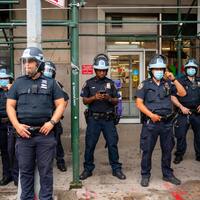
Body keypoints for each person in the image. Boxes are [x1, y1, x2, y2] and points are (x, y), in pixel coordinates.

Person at [6, 47, 65, 200]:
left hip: (45, 135)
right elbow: (10, 106)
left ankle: (46, 198)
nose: (27, 65)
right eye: (24, 62)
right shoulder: (18, 83)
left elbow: (60, 104)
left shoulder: (51, 83)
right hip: (23, 136)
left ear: (39, 63)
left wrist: (52, 122)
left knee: (46, 171)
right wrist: (17, 126)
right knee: (25, 171)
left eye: (30, 62)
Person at [135, 54, 186, 187]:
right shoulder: (144, 85)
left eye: (161, 69)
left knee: (167, 150)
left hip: (167, 123)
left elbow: (182, 93)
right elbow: (139, 103)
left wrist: (174, 79)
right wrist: (151, 115)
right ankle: (145, 175)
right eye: (156, 69)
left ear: (164, 71)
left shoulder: (168, 83)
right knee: (147, 151)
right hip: (151, 123)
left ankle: (167, 174)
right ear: (150, 70)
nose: (159, 71)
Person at [79, 54, 126, 180]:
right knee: (90, 145)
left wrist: (109, 98)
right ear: (95, 70)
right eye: (99, 70)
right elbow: (84, 101)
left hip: (108, 120)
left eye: (104, 70)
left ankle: (116, 169)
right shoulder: (89, 83)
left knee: (112, 144)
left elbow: (116, 100)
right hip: (93, 120)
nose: (102, 72)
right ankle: (88, 169)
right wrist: (94, 97)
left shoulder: (111, 83)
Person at [171, 58, 200, 164]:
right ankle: (179, 154)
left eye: (193, 68)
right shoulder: (179, 81)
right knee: (180, 135)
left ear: (196, 70)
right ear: (186, 69)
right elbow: (173, 96)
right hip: (183, 113)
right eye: (189, 68)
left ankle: (199, 155)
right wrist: (181, 107)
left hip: (197, 113)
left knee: (199, 135)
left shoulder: (199, 80)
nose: (191, 70)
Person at [43, 61, 69, 172]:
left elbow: (65, 99)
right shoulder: (36, 82)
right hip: (40, 119)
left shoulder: (56, 84)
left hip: (53, 119)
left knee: (57, 141)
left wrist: (58, 113)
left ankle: (60, 161)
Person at [0, 66, 13, 186]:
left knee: (12, 150)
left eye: (5, 78)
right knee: (4, 151)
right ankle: (6, 175)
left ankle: (15, 174)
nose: (3, 80)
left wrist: (9, 91)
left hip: (11, 123)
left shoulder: (13, 90)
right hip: (1, 124)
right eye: (0, 78)